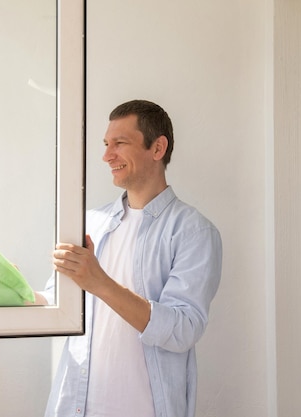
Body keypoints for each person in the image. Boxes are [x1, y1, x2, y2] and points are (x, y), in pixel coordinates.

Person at [43, 99, 222, 417]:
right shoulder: (89, 223)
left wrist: (100, 283)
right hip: (75, 407)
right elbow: (57, 302)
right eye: (106, 144)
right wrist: (5, 289)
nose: (106, 155)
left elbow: (183, 329)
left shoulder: (194, 232)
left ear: (157, 148)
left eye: (119, 143)